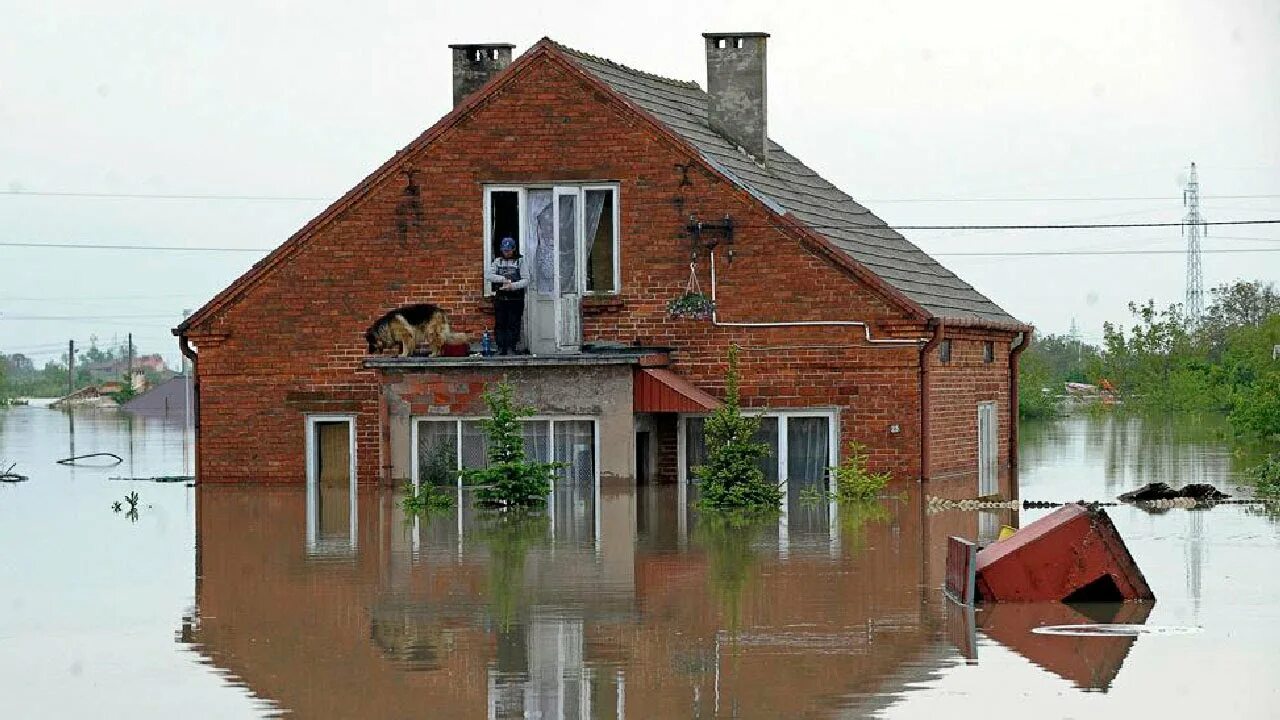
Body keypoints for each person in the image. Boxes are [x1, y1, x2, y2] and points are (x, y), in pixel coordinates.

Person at [485, 236, 529, 355]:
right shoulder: (497, 261)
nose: (507, 253)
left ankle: (511, 347)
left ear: (513, 249)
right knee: (500, 323)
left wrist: (512, 286)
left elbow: (526, 280)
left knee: (513, 323)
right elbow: (488, 275)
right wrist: (503, 279)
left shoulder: (520, 261)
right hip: (501, 297)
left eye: (509, 250)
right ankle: (500, 347)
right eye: (505, 250)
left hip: (515, 297)